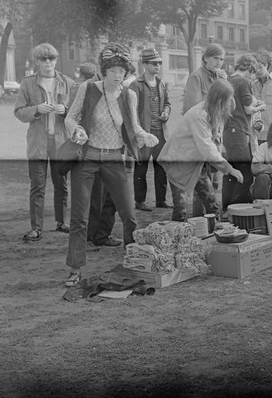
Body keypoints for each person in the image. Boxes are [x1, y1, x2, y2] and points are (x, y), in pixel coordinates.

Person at [63, 43, 159, 287]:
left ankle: (134, 262)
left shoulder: (129, 94)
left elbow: (134, 127)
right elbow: (70, 118)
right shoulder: (87, 89)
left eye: (122, 70)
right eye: (113, 70)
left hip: (115, 158)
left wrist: (144, 136)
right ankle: (75, 269)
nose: (118, 75)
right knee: (79, 218)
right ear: (104, 71)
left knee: (129, 214)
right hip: (88, 157)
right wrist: (78, 130)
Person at [14, 43, 74, 241]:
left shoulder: (68, 82)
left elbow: (77, 113)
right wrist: (37, 109)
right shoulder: (27, 83)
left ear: (56, 60)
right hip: (38, 142)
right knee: (38, 186)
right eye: (43, 59)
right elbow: (19, 112)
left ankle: (61, 222)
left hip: (60, 142)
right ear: (37, 61)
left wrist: (65, 111)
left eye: (52, 58)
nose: (48, 62)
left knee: (61, 185)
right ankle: (36, 228)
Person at [158, 79, 244, 210]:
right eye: (226, 101)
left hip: (196, 163)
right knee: (181, 208)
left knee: (212, 203)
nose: (228, 105)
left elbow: (216, 141)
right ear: (219, 99)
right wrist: (228, 168)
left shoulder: (216, 111)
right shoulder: (199, 115)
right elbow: (206, 146)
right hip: (179, 163)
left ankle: (214, 228)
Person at [69, 62, 122, 248]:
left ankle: (102, 233)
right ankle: (93, 234)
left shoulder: (119, 88)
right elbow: (71, 116)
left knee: (110, 197)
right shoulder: (85, 88)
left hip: (113, 151)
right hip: (91, 150)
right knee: (96, 196)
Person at [130, 47, 185, 219]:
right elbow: (132, 111)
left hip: (161, 132)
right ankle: (140, 201)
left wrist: (167, 113)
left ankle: (161, 200)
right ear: (144, 65)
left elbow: (168, 103)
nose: (158, 66)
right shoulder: (136, 85)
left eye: (159, 63)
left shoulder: (161, 83)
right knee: (141, 168)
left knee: (161, 167)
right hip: (144, 133)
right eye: (154, 63)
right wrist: (138, 134)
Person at [183, 43, 226, 216]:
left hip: (216, 136)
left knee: (215, 182)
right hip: (200, 137)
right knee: (202, 185)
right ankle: (200, 222)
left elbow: (230, 105)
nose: (219, 62)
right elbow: (192, 109)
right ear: (205, 58)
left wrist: (223, 82)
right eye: (215, 58)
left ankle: (210, 221)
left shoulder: (219, 78)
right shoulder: (196, 77)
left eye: (222, 59)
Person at [221, 54, 265, 212]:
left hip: (228, 131)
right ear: (250, 69)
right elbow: (248, 109)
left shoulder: (227, 80)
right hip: (239, 130)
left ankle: (226, 208)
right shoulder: (244, 81)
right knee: (246, 175)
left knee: (230, 173)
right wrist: (260, 107)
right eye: (253, 73)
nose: (253, 76)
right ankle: (233, 207)